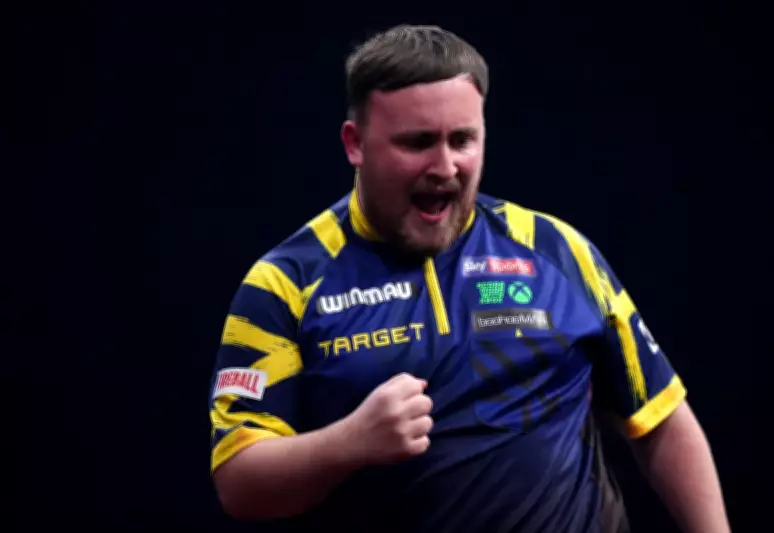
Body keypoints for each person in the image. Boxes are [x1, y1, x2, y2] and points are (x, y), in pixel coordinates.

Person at [208, 24, 730, 533]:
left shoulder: (557, 251)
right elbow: (239, 482)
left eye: (462, 140)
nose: (445, 167)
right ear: (355, 143)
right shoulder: (285, 284)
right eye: (417, 142)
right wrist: (349, 442)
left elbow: (661, 420)